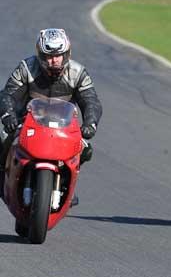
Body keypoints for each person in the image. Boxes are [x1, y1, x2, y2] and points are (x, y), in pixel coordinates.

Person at [0, 29, 102, 202]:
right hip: (26, 122)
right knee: (4, 139)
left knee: (85, 149)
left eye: (58, 55)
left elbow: (91, 101)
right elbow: (7, 94)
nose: (54, 60)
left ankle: (66, 186)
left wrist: (90, 123)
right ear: (40, 55)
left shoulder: (78, 73)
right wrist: (8, 115)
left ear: (66, 54)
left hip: (63, 125)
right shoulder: (26, 68)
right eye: (48, 56)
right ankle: (2, 176)